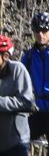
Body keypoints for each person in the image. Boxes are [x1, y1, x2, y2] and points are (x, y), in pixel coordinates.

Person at [24, 11, 49, 142]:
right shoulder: (29, 56)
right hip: (40, 111)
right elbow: (18, 76)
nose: (40, 34)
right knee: (19, 138)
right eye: (37, 31)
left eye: (44, 31)